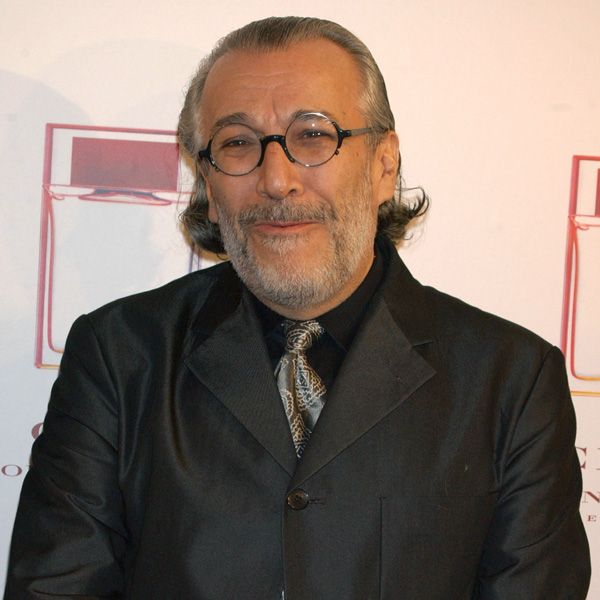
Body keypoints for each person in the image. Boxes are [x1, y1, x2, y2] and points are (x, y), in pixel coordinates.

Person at [4, 16, 590, 600]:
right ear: (207, 183)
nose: (277, 180)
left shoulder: (510, 380)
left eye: (313, 136)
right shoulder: (118, 355)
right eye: (238, 143)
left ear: (384, 165)